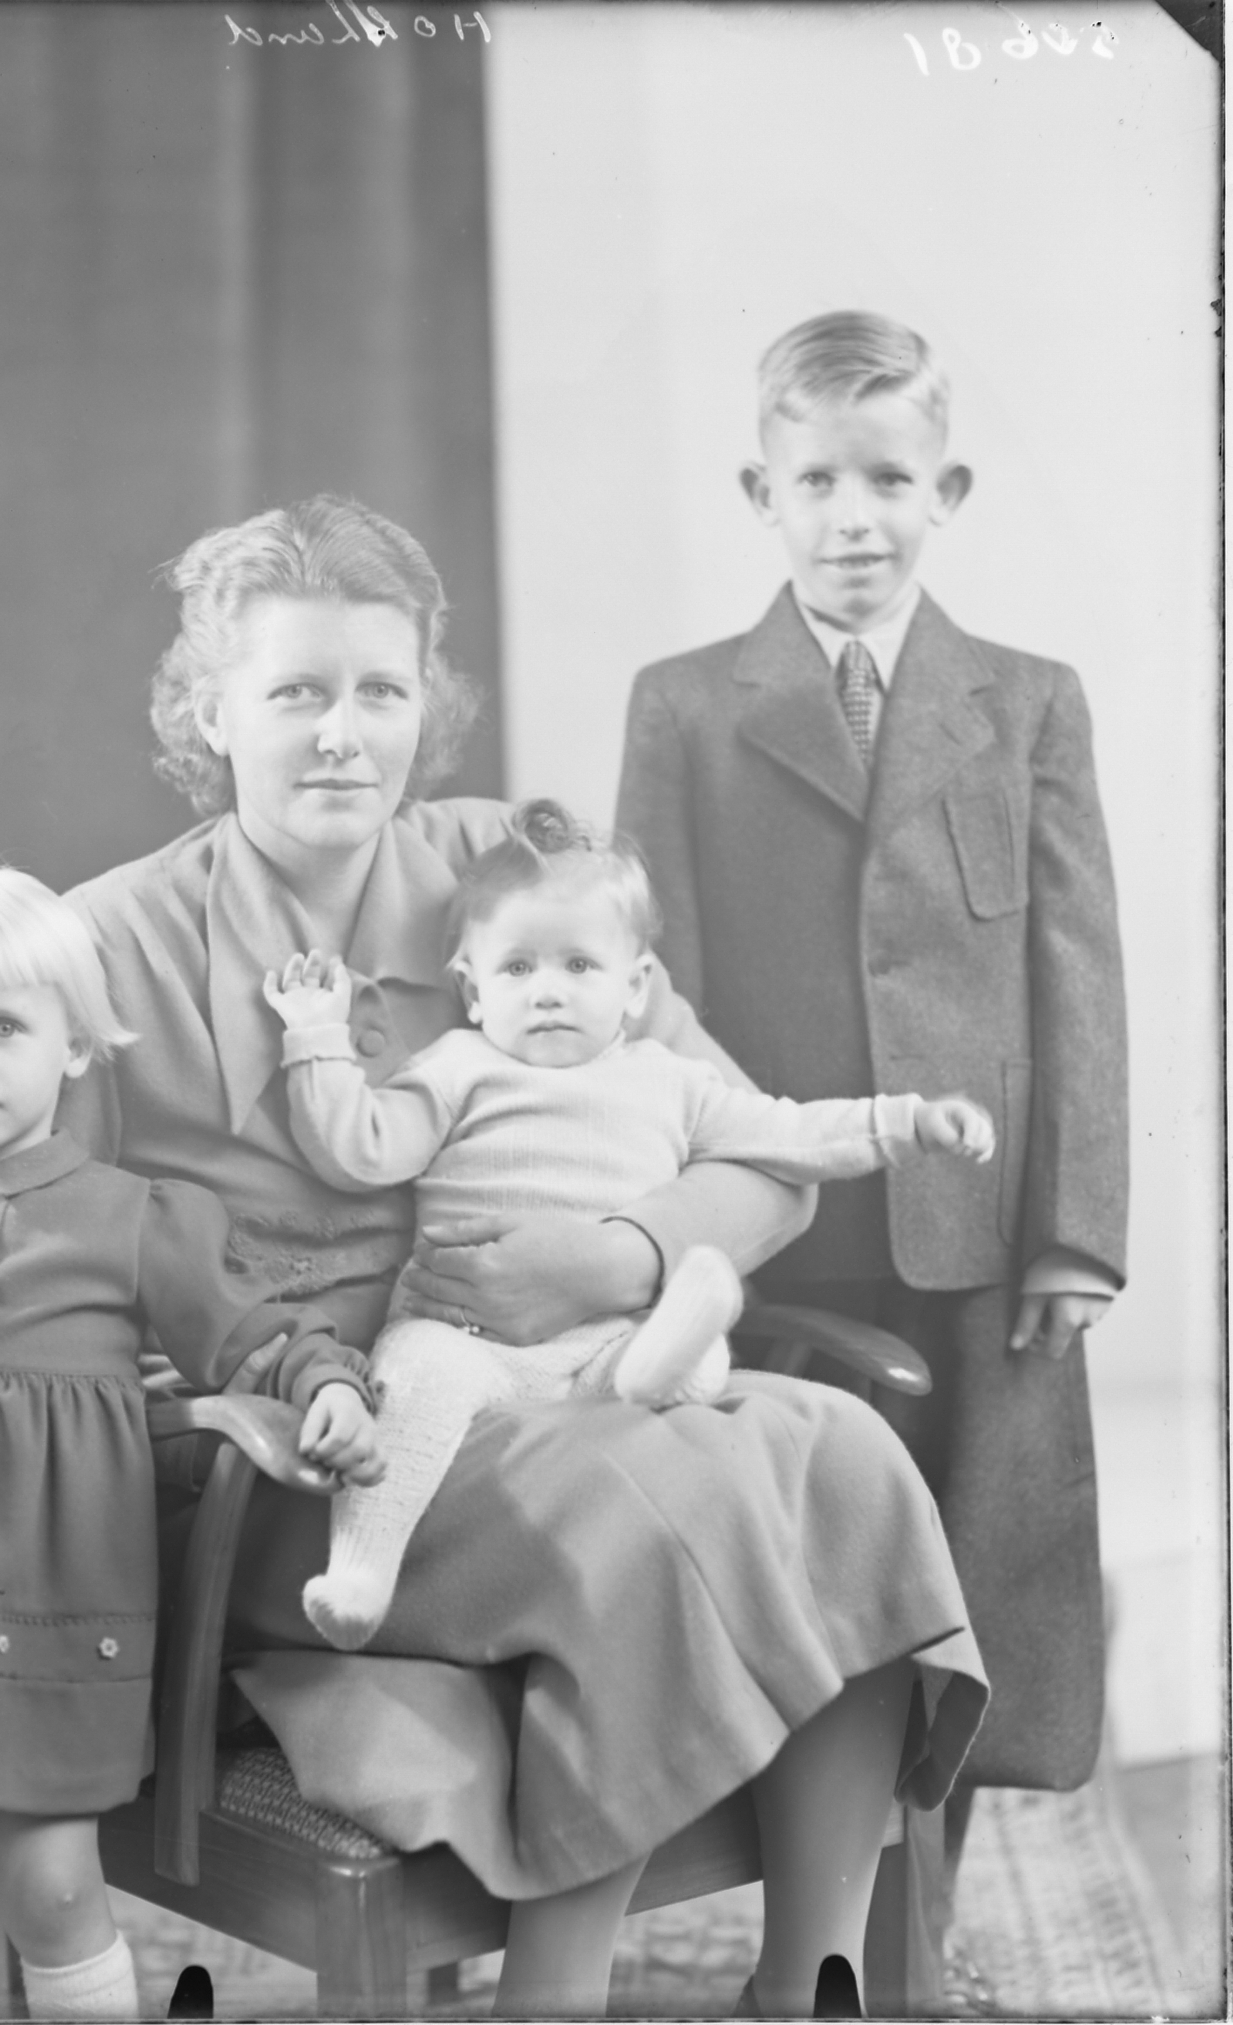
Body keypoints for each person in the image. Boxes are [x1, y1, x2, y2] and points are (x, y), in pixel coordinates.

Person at [62, 494, 989, 2017]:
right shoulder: (109, 944)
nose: (343, 734)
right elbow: (56, 1270)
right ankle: (551, 1995)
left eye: (381, 689)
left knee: (841, 1451)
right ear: (208, 712)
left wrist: (617, 1257)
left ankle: (810, 1982)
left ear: (426, 707)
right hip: (315, 1465)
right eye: (294, 692)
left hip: (577, 1372)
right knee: (646, 1503)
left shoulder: (512, 872)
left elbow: (748, 1145)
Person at [616, 311, 1128, 1913]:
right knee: (806, 1578)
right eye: (816, 481)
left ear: (944, 491)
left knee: (974, 1577)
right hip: (782, 1222)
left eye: (888, 480)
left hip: (978, 1234)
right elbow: (655, 994)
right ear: (757, 494)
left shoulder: (1025, 701)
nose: (853, 518)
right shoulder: (684, 707)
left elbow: (1077, 977)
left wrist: (1073, 1235)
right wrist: (682, 1222)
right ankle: (810, 1913)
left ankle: (915, 1918)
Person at [0, 869, 380, 2022]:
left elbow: (247, 1335)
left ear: (78, 1046)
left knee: (48, 1880)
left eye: (7, 1028)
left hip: (50, 1587)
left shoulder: (135, 1216)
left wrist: (324, 1382)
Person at [264, 796, 995, 1652]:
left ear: (635, 985)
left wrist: (908, 1121)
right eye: (516, 968)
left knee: (691, 1349)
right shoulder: (458, 1066)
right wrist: (315, 1038)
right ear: (471, 989)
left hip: (613, 1341)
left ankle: (669, 1352)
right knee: (414, 1371)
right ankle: (360, 1570)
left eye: (579, 964)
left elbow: (793, 1134)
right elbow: (360, 1148)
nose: (547, 990)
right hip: (471, 1338)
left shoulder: (670, 1080)